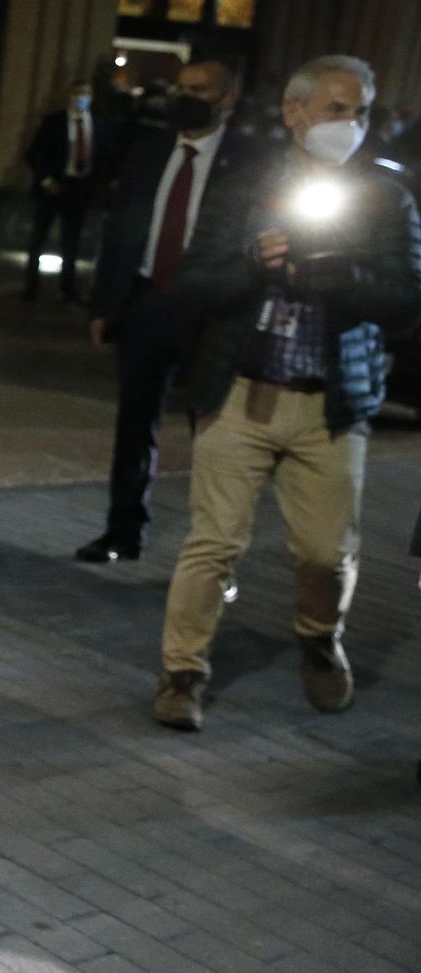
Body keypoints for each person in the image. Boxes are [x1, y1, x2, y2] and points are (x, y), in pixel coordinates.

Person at [153, 55, 421, 731]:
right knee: (213, 542)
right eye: (336, 109)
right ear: (294, 112)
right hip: (243, 390)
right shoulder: (245, 185)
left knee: (326, 553)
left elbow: (408, 300)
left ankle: (318, 637)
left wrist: (345, 276)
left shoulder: (386, 196)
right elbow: (194, 283)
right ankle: (183, 672)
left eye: (360, 112)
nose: (350, 124)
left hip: (331, 403)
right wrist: (251, 264)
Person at [78, 61, 262, 564]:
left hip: (208, 308)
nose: (186, 98)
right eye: (182, 89)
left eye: (200, 91)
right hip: (145, 301)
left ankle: (210, 549)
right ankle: (123, 531)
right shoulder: (150, 149)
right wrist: (106, 304)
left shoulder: (248, 162)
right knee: (135, 422)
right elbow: (121, 231)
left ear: (227, 98)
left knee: (213, 430)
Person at [22, 78, 105, 303]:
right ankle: (31, 284)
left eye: (85, 94)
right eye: (77, 94)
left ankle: (67, 287)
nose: (81, 99)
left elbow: (103, 157)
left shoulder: (97, 123)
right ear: (70, 95)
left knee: (72, 240)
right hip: (53, 186)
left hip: (79, 187)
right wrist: (46, 180)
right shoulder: (53, 122)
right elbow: (34, 154)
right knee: (39, 236)